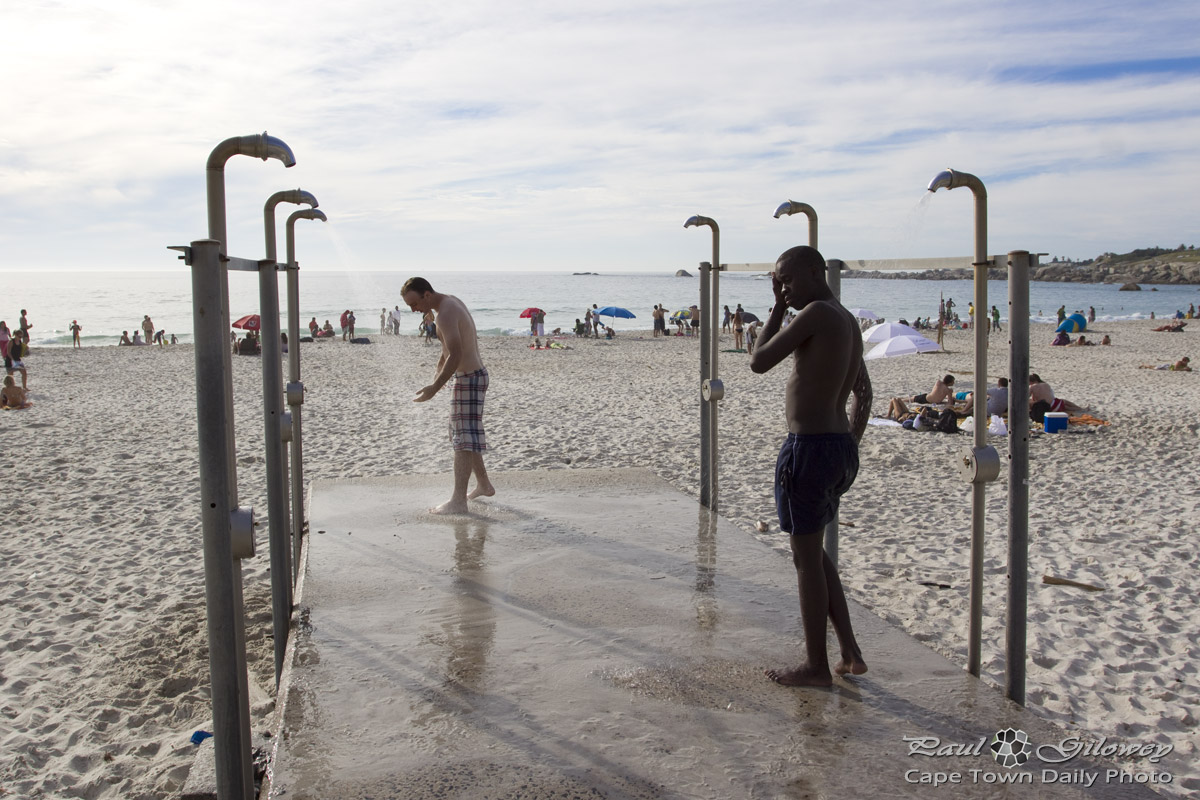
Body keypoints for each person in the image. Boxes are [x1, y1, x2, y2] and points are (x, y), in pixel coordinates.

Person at [749, 245, 871, 687]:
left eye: (788, 280)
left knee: (805, 559)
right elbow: (864, 393)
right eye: (778, 283)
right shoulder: (845, 319)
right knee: (814, 553)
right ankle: (851, 653)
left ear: (816, 273)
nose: (783, 289)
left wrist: (777, 311)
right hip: (835, 446)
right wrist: (847, 448)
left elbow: (759, 361)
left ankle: (817, 666)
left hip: (812, 447)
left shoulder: (817, 313)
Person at [403, 277, 494, 514]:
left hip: (469, 378)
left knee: (462, 441)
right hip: (469, 378)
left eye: (414, 304)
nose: (413, 310)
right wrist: (436, 378)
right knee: (462, 434)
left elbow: (456, 354)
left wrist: (434, 389)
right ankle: (483, 484)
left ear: (426, 294)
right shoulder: (449, 303)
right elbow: (446, 352)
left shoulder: (445, 313)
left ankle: (458, 501)